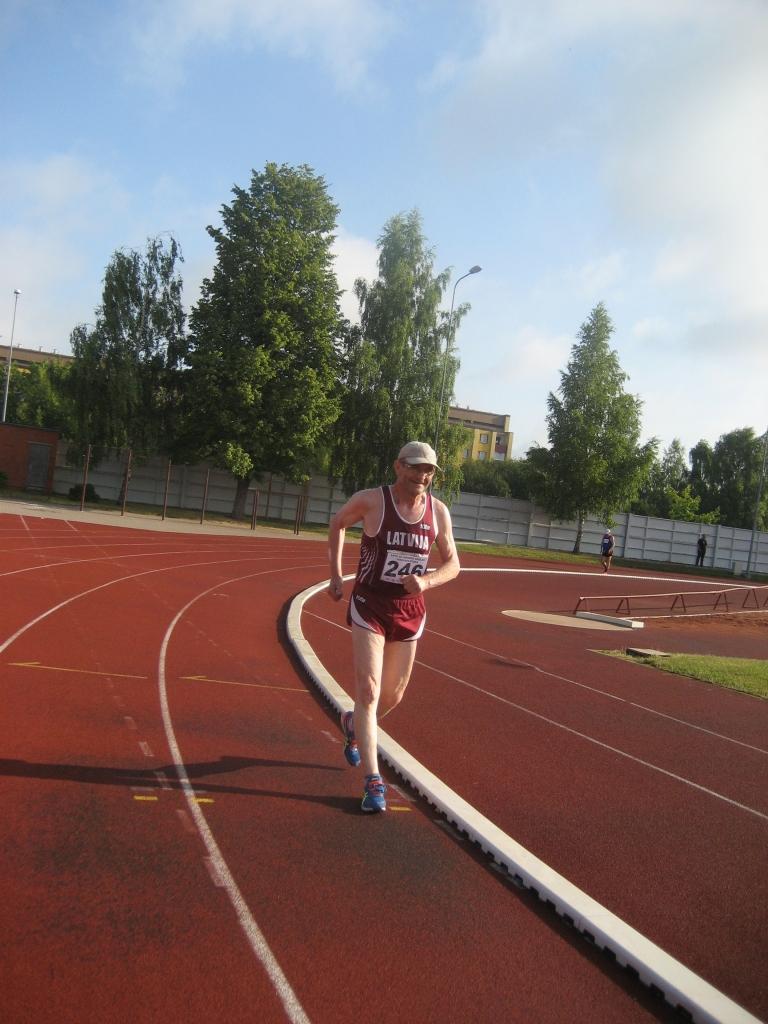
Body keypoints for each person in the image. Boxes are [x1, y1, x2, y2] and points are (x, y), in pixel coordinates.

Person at [327, 441, 460, 813]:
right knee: (368, 690)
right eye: (416, 468)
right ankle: (373, 781)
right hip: (370, 603)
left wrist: (428, 581)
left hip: (410, 609)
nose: (423, 476)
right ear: (398, 467)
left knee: (393, 695)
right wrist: (336, 575)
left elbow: (453, 564)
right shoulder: (372, 501)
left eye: (429, 471)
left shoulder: (438, 512)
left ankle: (354, 724)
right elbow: (338, 523)